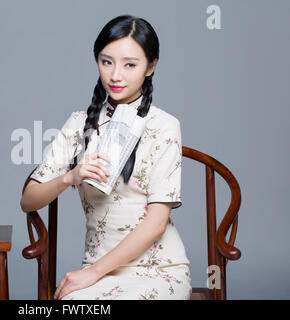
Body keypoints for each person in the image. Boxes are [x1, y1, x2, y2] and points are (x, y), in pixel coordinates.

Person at [20, 15, 191, 300]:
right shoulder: (79, 122)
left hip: (157, 270)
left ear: (151, 67)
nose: (115, 75)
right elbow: (28, 200)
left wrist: (92, 273)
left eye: (130, 65)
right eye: (106, 61)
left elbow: (157, 222)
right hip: (97, 270)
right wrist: (69, 177)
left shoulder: (164, 125)